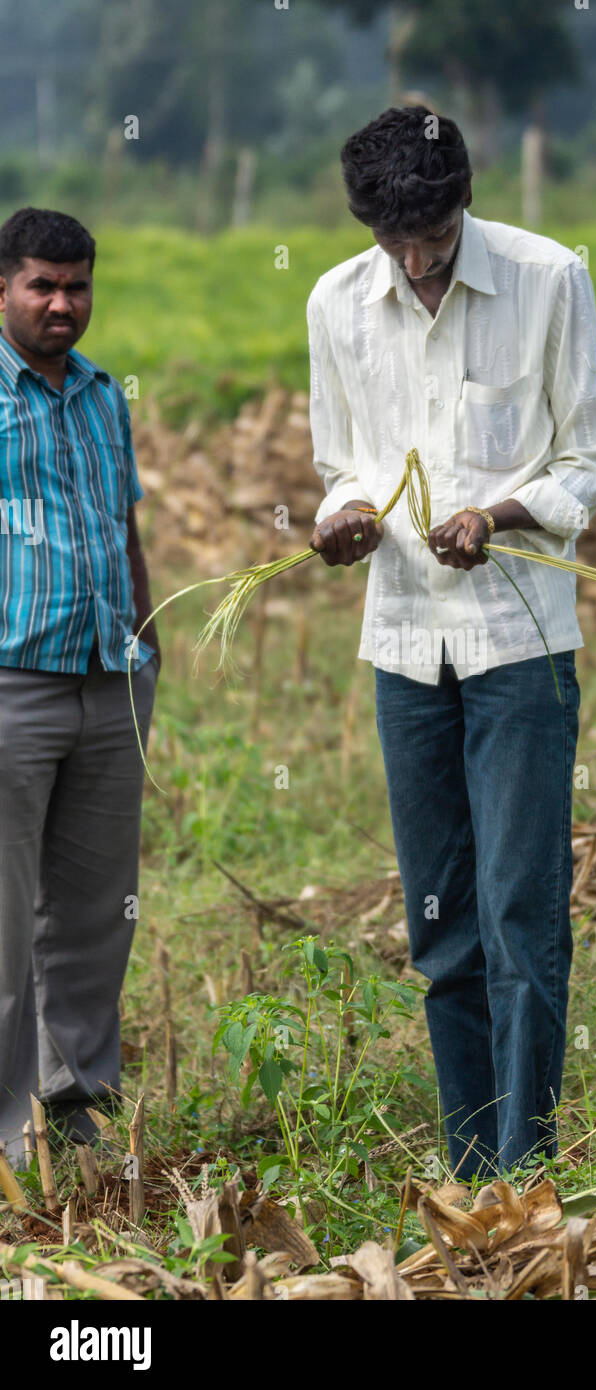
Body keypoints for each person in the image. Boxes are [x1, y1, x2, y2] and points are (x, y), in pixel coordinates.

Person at [307, 108, 596, 1178]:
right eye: (390, 238)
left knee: (519, 911)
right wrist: (339, 522)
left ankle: (524, 1164)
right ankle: (468, 1163)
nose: (411, 259)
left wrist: (502, 514)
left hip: (516, 646)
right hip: (401, 644)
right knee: (439, 925)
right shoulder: (336, 304)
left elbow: (587, 458)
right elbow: (339, 460)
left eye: (429, 235)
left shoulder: (545, 279)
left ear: (463, 201)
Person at [0, 207, 159, 1166]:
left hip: (110, 684)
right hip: (11, 684)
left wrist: (146, 642)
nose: (63, 304)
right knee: (5, 915)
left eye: (77, 287)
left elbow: (125, 526)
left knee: (95, 910)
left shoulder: (103, 394)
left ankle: (77, 1101)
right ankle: (9, 1133)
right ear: (1, 289)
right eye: (42, 286)